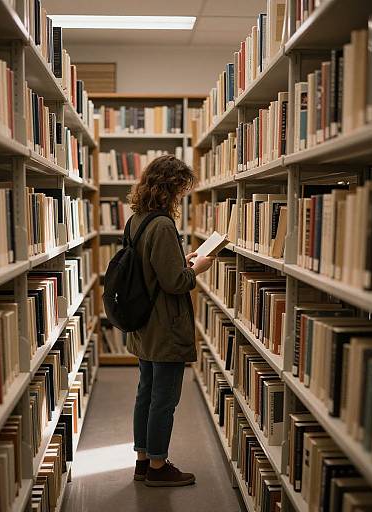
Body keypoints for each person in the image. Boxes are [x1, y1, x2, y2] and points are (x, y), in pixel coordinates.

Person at [125, 155, 214, 487]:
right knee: (164, 399)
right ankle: (159, 468)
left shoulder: (137, 219)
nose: (181, 195)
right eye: (180, 188)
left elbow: (152, 267)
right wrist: (196, 269)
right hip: (164, 326)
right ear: (168, 188)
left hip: (144, 324)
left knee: (145, 393)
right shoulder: (162, 224)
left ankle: (143, 461)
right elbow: (175, 283)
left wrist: (181, 259)